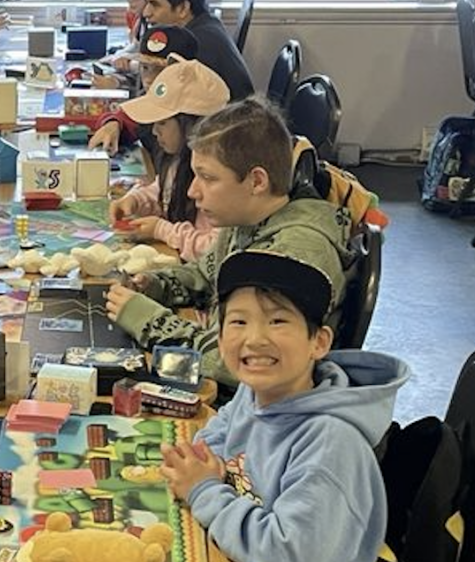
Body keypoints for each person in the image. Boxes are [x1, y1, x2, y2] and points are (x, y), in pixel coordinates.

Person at [159, 250, 409, 562]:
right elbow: (220, 432)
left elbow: (288, 552)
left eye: (277, 321)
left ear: (319, 342)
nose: (254, 339)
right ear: (220, 340)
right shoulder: (257, 389)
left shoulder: (330, 444)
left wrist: (204, 490)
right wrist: (206, 460)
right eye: (238, 322)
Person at [105, 98, 352, 388]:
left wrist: (146, 319)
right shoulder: (245, 220)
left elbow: (239, 363)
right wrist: (152, 284)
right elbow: (204, 275)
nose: (193, 191)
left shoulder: (294, 256)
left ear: (256, 181)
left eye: (207, 178)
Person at [108, 58, 230, 261]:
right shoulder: (178, 159)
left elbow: (213, 251)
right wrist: (136, 200)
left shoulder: (222, 184)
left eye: (162, 123)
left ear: (194, 126)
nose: (155, 131)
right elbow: (163, 190)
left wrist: (163, 231)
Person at [140, 0, 254, 100]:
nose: (146, 13)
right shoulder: (206, 24)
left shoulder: (196, 45)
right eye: (146, 3)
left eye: (155, 4)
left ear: (182, 8)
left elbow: (164, 99)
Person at [88, 23, 199, 154]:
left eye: (161, 70)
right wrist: (114, 123)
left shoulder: (197, 119)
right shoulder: (152, 100)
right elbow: (130, 117)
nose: (149, 79)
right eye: (145, 68)